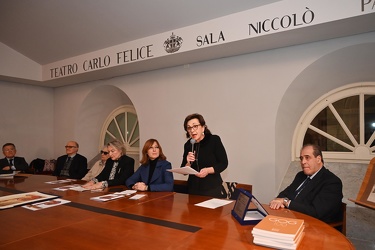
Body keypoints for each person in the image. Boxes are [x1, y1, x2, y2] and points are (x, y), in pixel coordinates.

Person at [269, 144, 343, 223]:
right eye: (301, 158)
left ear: (318, 159)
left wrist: (285, 202)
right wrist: (278, 201)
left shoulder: (332, 182)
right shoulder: (300, 175)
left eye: (307, 158)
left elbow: (315, 212)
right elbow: (284, 194)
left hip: (315, 228)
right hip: (291, 220)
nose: (303, 162)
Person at [180, 113, 228, 198]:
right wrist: (188, 163)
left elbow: (223, 163)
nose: (192, 130)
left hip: (212, 188)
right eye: (189, 127)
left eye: (195, 126)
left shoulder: (214, 140)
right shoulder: (188, 145)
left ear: (203, 127)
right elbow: (184, 171)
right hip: (193, 189)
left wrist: (208, 170)